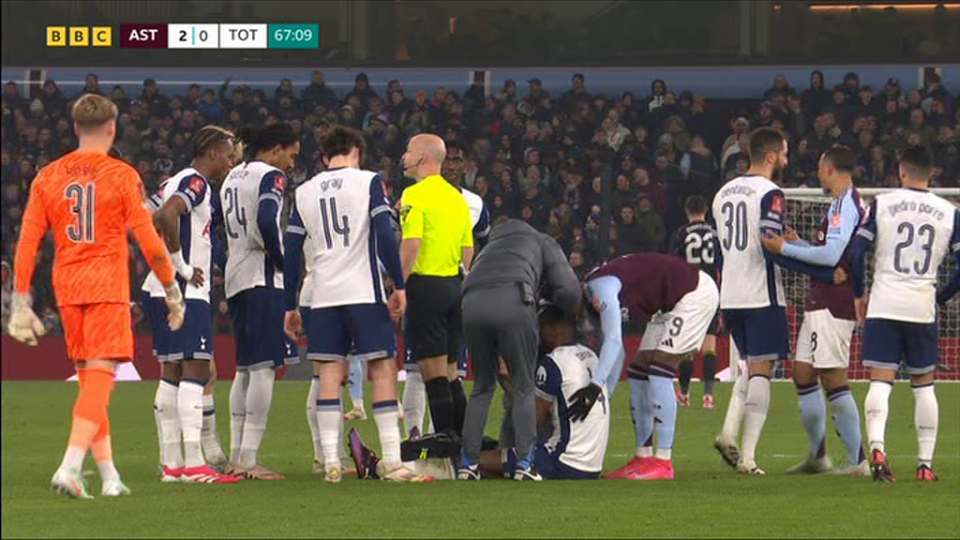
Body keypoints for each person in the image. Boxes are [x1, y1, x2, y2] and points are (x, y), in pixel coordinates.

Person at [8, 94, 185, 498]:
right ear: (112, 128)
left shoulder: (47, 176)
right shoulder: (122, 175)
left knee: (91, 380)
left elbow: (27, 244)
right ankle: (70, 466)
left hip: (67, 287)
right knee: (100, 382)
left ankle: (108, 476)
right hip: (105, 285)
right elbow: (150, 244)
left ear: (74, 128)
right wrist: (172, 289)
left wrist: (19, 300)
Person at [282, 126, 429, 483]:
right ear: (357, 152)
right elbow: (383, 232)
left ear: (323, 157)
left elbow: (291, 253)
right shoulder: (369, 182)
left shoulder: (303, 192)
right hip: (363, 291)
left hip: (323, 296)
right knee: (382, 368)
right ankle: (392, 460)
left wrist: (290, 304)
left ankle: (331, 461)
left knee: (330, 374)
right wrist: (399, 283)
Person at [710, 128, 839, 475]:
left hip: (731, 294)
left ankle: (726, 432)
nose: (786, 159)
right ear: (769, 157)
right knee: (762, 371)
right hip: (760, 293)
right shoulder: (771, 193)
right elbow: (770, 241)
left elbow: (721, 251)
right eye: (783, 153)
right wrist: (815, 266)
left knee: (749, 367)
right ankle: (748, 458)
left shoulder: (722, 194)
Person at [850, 145, 960, 482]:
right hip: (921, 305)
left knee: (880, 381)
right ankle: (925, 465)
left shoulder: (882, 203)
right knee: (924, 386)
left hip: (884, 304)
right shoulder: (949, 212)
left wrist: (859, 294)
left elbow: (856, 254)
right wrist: (942, 296)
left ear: (901, 171)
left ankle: (878, 448)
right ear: (932, 173)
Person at [761, 146, 870, 476]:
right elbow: (827, 252)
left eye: (821, 167)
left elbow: (832, 255)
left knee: (833, 376)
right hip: (821, 298)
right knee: (803, 374)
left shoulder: (844, 204)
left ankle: (857, 461)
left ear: (831, 168)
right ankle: (818, 455)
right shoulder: (843, 203)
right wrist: (803, 244)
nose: (817, 173)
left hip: (833, 301)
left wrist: (786, 247)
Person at [143, 126, 238, 484]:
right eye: (228, 154)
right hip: (185, 291)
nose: (231, 162)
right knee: (196, 372)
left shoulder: (172, 180)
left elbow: (146, 214)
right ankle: (195, 464)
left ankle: (172, 464)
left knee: (172, 374)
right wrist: (182, 266)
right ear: (212, 152)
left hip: (159, 288)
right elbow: (166, 215)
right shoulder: (196, 182)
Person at [457, 219, 581, 481]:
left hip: (470, 303)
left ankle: (468, 464)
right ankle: (525, 464)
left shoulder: (489, 247)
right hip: (514, 299)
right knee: (524, 385)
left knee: (481, 386)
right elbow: (570, 292)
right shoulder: (540, 239)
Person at [582, 253, 718, 480]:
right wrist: (606, 395)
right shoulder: (595, 285)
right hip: (667, 304)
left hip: (694, 294)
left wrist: (596, 386)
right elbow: (618, 350)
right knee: (638, 373)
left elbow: (614, 342)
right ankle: (642, 456)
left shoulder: (601, 287)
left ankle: (664, 461)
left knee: (660, 370)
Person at [217, 124, 301, 480]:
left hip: (237, 278)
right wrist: (285, 265)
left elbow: (221, 235)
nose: (291, 163)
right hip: (264, 278)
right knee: (265, 368)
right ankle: (249, 460)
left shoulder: (230, 177)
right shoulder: (272, 177)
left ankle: (238, 455)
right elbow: (268, 220)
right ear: (277, 149)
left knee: (245, 368)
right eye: (291, 155)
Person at [402, 139, 490, 438]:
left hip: (426, 286)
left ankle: (445, 446)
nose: (404, 156)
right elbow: (469, 250)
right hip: (456, 286)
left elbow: (411, 245)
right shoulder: (458, 198)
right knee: (451, 371)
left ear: (422, 158)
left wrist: (398, 287)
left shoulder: (414, 194)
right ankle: (466, 445)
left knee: (432, 370)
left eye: (409, 151)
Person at [479, 304, 609, 480]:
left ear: (554, 329)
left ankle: (436, 470)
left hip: (562, 460)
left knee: (476, 461)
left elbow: (532, 421)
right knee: (492, 469)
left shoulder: (554, 362)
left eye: (542, 327)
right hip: (592, 465)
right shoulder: (591, 355)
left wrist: (508, 381)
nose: (538, 333)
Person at [668, 195, 720, 409]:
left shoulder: (681, 233)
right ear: (706, 210)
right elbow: (722, 260)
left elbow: (673, 263)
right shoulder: (716, 234)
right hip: (711, 290)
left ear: (687, 211)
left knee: (688, 345)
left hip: (690, 291)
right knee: (710, 345)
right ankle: (708, 396)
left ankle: (685, 393)